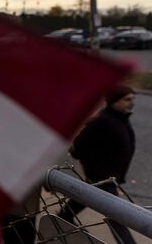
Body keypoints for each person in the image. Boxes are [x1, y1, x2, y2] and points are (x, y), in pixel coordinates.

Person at [58, 85, 136, 244]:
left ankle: (64, 217)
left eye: (133, 99)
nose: (131, 103)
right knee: (116, 216)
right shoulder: (101, 120)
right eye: (127, 99)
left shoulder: (121, 118)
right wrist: (82, 156)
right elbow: (79, 145)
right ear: (114, 101)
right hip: (102, 177)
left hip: (109, 176)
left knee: (84, 196)